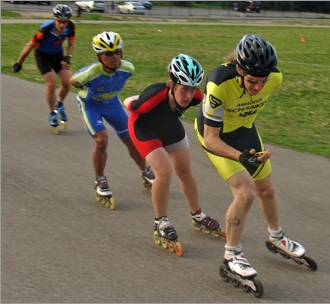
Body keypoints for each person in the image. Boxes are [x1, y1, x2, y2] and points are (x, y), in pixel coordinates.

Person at [194, 34, 307, 277]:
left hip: (245, 130)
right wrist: (240, 157)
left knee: (266, 190)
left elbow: (253, 98)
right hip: (216, 134)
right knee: (245, 193)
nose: (258, 88)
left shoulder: (275, 79)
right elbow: (212, 137)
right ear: (238, 69)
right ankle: (232, 254)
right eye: (252, 81)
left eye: (262, 82)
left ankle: (276, 237)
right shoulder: (219, 83)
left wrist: (247, 152)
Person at [123, 54, 223, 243]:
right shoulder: (153, 97)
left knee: (185, 170)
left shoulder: (196, 97)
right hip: (144, 127)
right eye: (184, 89)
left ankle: (197, 215)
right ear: (171, 85)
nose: (189, 95)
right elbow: (130, 104)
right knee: (164, 172)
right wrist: (135, 99)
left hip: (168, 124)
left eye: (193, 89)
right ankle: (160, 222)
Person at [69, 31, 155, 202]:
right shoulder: (91, 72)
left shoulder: (128, 68)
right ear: (99, 56)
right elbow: (74, 81)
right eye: (109, 54)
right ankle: (100, 180)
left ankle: (145, 171)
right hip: (91, 105)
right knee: (101, 140)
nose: (114, 57)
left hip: (112, 103)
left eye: (117, 52)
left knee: (130, 138)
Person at [12, 4, 75, 129]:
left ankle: (60, 105)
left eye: (65, 22)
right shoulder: (45, 30)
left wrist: (68, 57)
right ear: (54, 19)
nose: (62, 25)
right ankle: (52, 113)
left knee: (67, 82)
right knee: (51, 84)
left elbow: (71, 44)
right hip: (42, 56)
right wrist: (19, 63)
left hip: (57, 55)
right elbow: (29, 46)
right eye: (59, 21)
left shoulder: (71, 27)